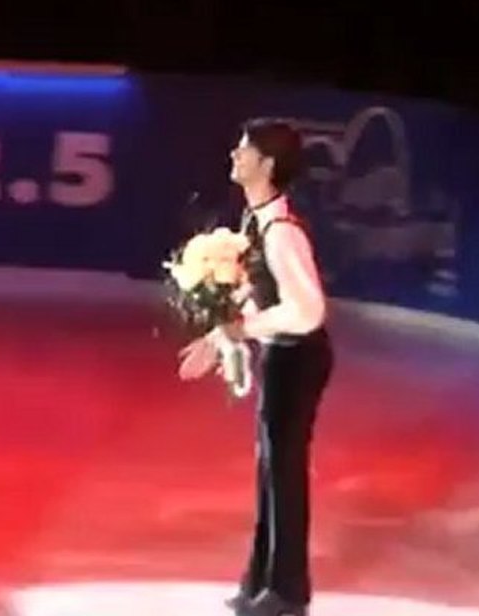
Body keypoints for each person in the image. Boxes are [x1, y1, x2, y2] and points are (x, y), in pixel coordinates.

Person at [179, 118, 333, 616]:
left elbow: (307, 311)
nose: (234, 155)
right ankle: (262, 579)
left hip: (300, 356)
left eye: (243, 150)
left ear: (266, 165)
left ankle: (287, 592)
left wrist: (241, 332)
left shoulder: (282, 233)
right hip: (284, 353)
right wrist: (220, 337)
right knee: (271, 466)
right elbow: (256, 297)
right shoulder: (257, 222)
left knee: (284, 470)